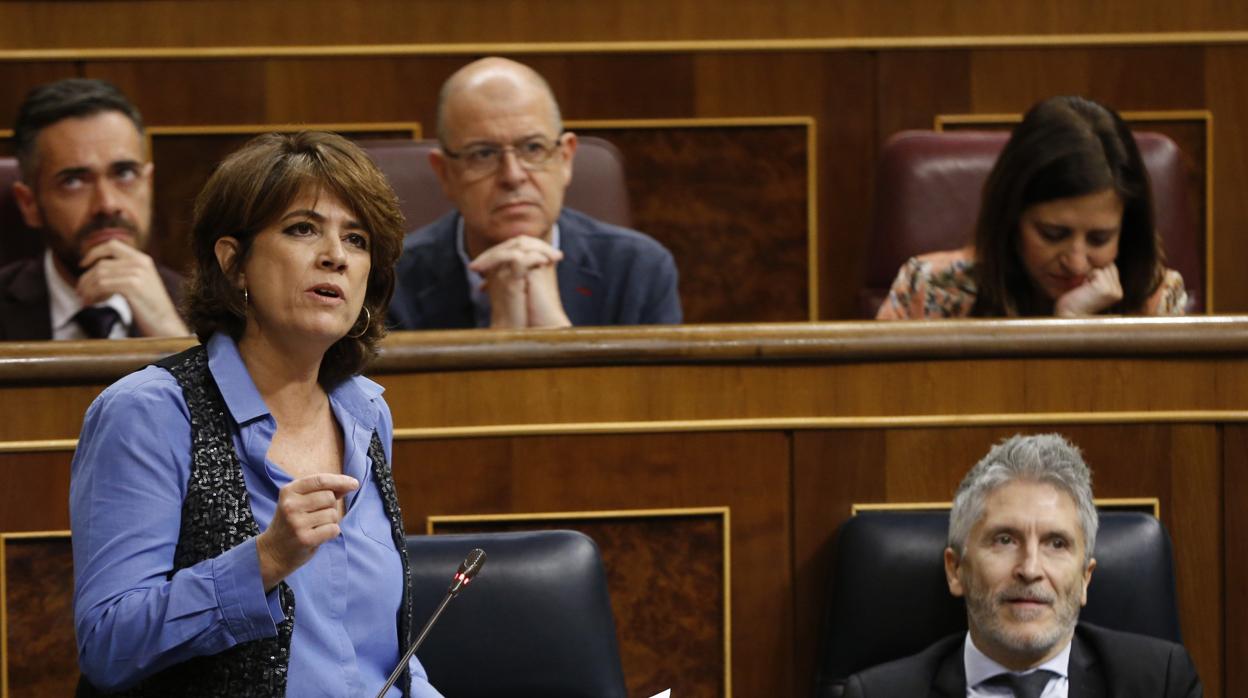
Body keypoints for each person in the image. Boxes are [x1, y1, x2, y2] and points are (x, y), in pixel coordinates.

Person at [70, 132, 441, 696]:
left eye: (357, 239)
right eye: (302, 229)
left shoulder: (366, 413)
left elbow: (379, 652)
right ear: (233, 261)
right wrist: (266, 559)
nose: (335, 256)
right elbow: (108, 644)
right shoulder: (150, 413)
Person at [843, 433, 1202, 697]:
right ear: (956, 570)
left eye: (1056, 544)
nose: (1030, 568)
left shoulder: (1160, 683)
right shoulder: (877, 695)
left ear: (1084, 579)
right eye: (1005, 540)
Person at [387, 56, 682, 329]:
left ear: (565, 158)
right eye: (483, 154)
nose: (513, 176)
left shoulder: (638, 270)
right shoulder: (388, 283)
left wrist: (554, 336)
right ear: (445, 173)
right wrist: (498, 342)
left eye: (533, 148)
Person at [876, 96, 1188, 319]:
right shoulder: (930, 289)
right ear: (1011, 217)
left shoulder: (1154, 299)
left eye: (1099, 239)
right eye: (1053, 234)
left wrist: (1076, 324)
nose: (1076, 263)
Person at [0, 78, 186, 340]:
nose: (107, 205)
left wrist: (171, 335)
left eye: (124, 174)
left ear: (148, 184)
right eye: (74, 181)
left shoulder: (219, 312)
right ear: (29, 204)